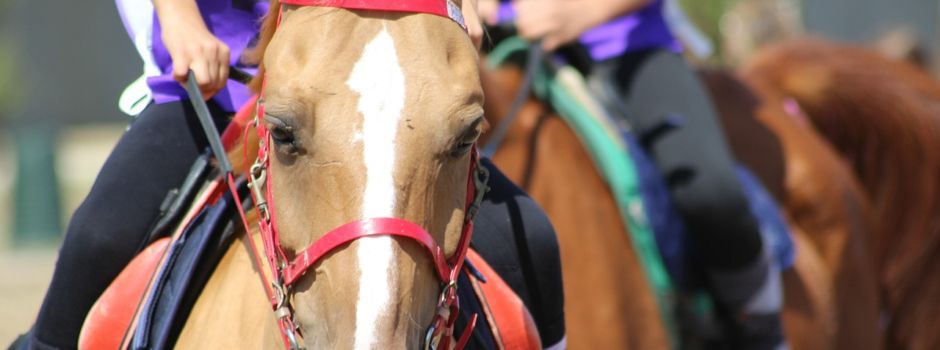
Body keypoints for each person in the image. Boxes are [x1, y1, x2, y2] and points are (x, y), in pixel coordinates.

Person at [17, 0, 566, 349]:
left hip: (367, 89)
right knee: (99, 235)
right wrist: (179, 19)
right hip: (223, 78)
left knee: (532, 243)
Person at [479, 0, 785, 348]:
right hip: (493, 43)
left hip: (623, 48)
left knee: (710, 193)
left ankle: (761, 328)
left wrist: (581, 12)